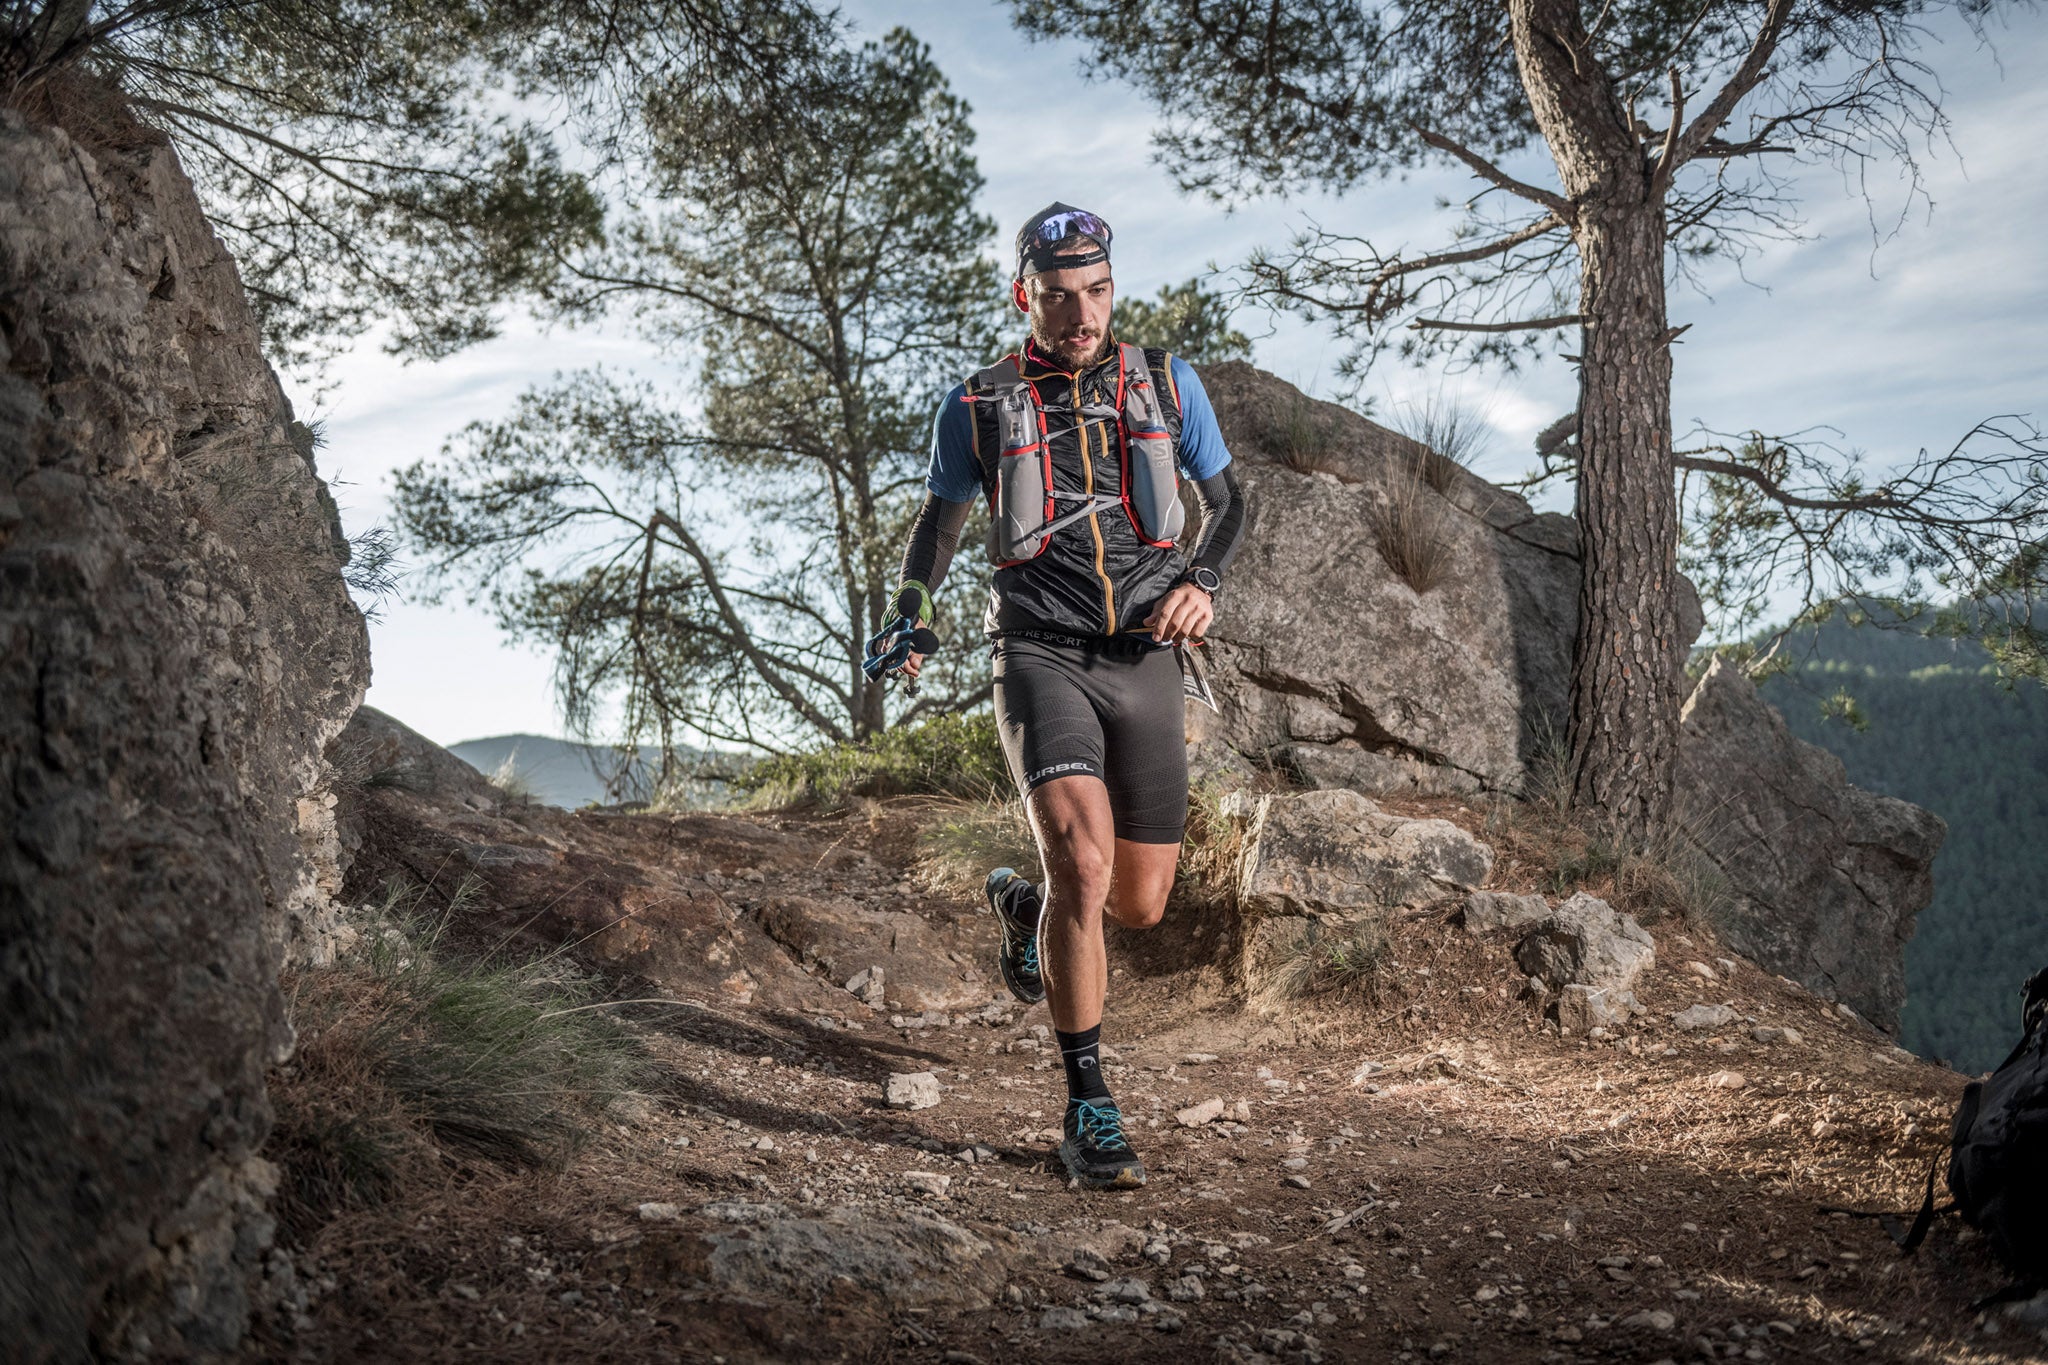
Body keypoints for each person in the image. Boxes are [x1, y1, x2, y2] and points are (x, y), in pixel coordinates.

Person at [868, 202, 1248, 1189]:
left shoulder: (1167, 383)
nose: (1079, 317)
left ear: (1111, 287)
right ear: (1021, 295)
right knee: (1085, 863)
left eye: (1094, 294)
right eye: (1055, 298)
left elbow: (1231, 502)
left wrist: (1201, 582)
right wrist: (909, 616)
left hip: (1146, 662)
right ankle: (1087, 1104)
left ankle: (1026, 909)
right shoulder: (976, 403)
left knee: (1137, 903)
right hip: (1040, 654)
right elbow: (937, 530)